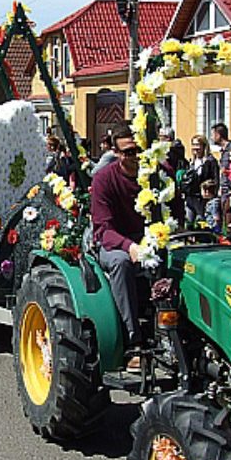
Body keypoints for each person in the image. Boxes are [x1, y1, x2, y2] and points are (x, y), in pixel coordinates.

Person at [90, 124, 145, 371]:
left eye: (138, 150)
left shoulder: (157, 174)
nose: (134, 157)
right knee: (120, 262)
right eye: (128, 152)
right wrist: (130, 246)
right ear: (117, 153)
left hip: (151, 239)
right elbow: (103, 229)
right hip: (114, 240)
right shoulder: (104, 179)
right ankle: (132, 342)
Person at [182, 135, 219, 225]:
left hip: (203, 198)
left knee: (202, 223)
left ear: (204, 146)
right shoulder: (192, 161)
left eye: (198, 145)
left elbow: (215, 179)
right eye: (193, 145)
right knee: (188, 223)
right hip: (190, 197)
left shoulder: (210, 161)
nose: (195, 148)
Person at [211, 123, 231, 228]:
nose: (212, 137)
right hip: (224, 189)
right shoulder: (223, 151)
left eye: (213, 134)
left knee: (230, 217)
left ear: (218, 135)